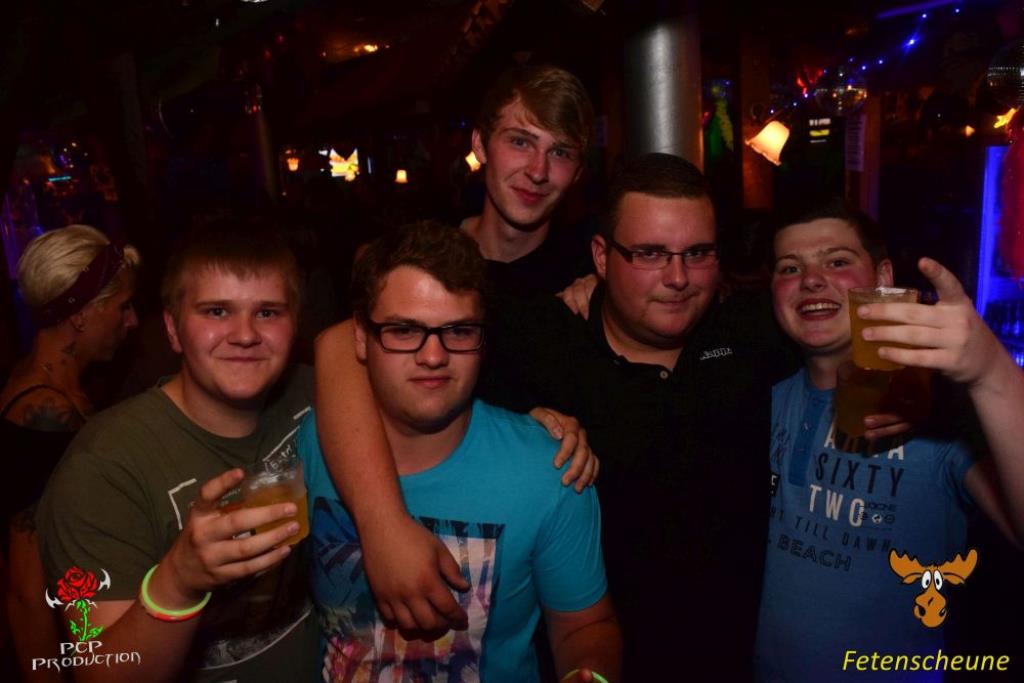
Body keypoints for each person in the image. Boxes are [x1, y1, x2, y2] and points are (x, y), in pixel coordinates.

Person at [314, 153, 795, 677]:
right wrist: (383, 526)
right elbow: (345, 343)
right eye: (650, 253)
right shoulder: (539, 340)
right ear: (602, 257)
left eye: (697, 253)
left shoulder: (754, 336)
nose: (678, 277)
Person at [299, 221, 620, 681]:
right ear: (360, 337)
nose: (433, 356)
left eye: (459, 331)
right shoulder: (309, 443)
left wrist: (589, 674)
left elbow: (585, 625)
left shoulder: (550, 470)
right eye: (404, 330)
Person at [35, 222, 318, 682]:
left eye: (267, 312)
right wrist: (178, 581)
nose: (245, 334)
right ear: (172, 329)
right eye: (217, 311)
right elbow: (101, 673)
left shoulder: (315, 393)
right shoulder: (102, 469)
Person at [755, 202, 1024, 680]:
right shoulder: (763, 398)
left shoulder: (938, 412)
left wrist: (990, 374)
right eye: (789, 268)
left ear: (882, 277)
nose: (811, 280)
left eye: (837, 261)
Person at [0, 225, 139, 682]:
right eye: (123, 307)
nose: (132, 321)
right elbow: (26, 591)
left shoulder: (62, 388)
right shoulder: (42, 416)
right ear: (82, 314)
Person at [462, 63, 595, 296]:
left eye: (560, 153)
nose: (538, 172)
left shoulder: (587, 280)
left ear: (577, 173)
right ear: (480, 145)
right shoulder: (425, 260)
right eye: (520, 142)